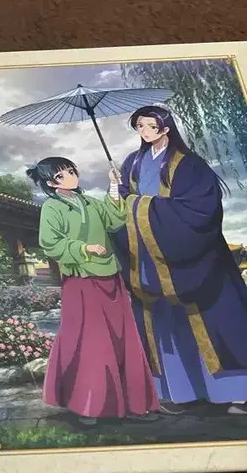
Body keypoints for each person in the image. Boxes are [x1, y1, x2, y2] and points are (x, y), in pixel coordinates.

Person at [114, 105, 247, 414]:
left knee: (214, 319)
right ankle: (180, 392)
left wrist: (138, 205)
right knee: (163, 320)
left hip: (193, 258)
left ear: (165, 128)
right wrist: (117, 192)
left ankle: (236, 392)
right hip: (149, 260)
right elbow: (122, 207)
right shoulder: (132, 163)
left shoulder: (190, 164)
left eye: (150, 126)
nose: (144, 131)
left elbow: (200, 210)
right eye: (139, 126)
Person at [27, 157, 160, 425]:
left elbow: (114, 219)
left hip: (109, 274)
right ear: (51, 183)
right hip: (81, 279)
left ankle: (132, 403)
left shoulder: (89, 202)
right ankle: (88, 405)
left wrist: (114, 185)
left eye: (71, 170)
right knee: (91, 340)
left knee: (122, 337)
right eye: (62, 174)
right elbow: (50, 242)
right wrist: (83, 248)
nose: (71, 175)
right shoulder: (52, 207)